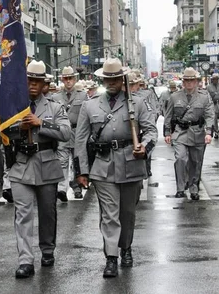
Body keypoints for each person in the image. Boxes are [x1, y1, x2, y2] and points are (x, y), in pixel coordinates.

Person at [75, 58, 157, 278]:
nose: (111, 83)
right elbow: (81, 140)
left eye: (114, 78)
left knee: (127, 213)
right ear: (102, 79)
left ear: (122, 79)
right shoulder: (89, 105)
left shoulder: (137, 103)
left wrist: (144, 147)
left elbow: (151, 131)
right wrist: (81, 171)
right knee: (109, 214)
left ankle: (126, 247)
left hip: (131, 162)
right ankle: (111, 257)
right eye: (106, 79)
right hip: (102, 166)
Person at [2, 60, 71, 279]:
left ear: (44, 85)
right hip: (21, 165)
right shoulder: (14, 106)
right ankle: (25, 260)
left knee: (47, 213)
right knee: (22, 214)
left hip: (47, 164)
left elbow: (66, 133)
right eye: (29, 80)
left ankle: (47, 250)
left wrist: (40, 123)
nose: (33, 85)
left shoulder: (54, 106)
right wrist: (17, 127)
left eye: (37, 81)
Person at [164, 67, 215, 200]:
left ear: (197, 82)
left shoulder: (204, 97)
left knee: (196, 162)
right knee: (180, 158)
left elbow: (210, 115)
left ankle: (193, 188)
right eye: (186, 80)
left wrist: (209, 132)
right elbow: (168, 116)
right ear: (183, 82)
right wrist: (167, 133)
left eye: (192, 80)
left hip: (197, 132)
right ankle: (180, 188)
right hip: (180, 132)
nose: (189, 83)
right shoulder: (175, 97)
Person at [52, 66, 86, 200]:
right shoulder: (55, 97)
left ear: (75, 79)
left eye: (70, 78)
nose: (68, 81)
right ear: (62, 79)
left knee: (77, 162)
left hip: (78, 132)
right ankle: (61, 188)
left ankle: (77, 187)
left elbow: (86, 116)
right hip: (62, 132)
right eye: (65, 78)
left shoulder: (82, 95)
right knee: (62, 161)